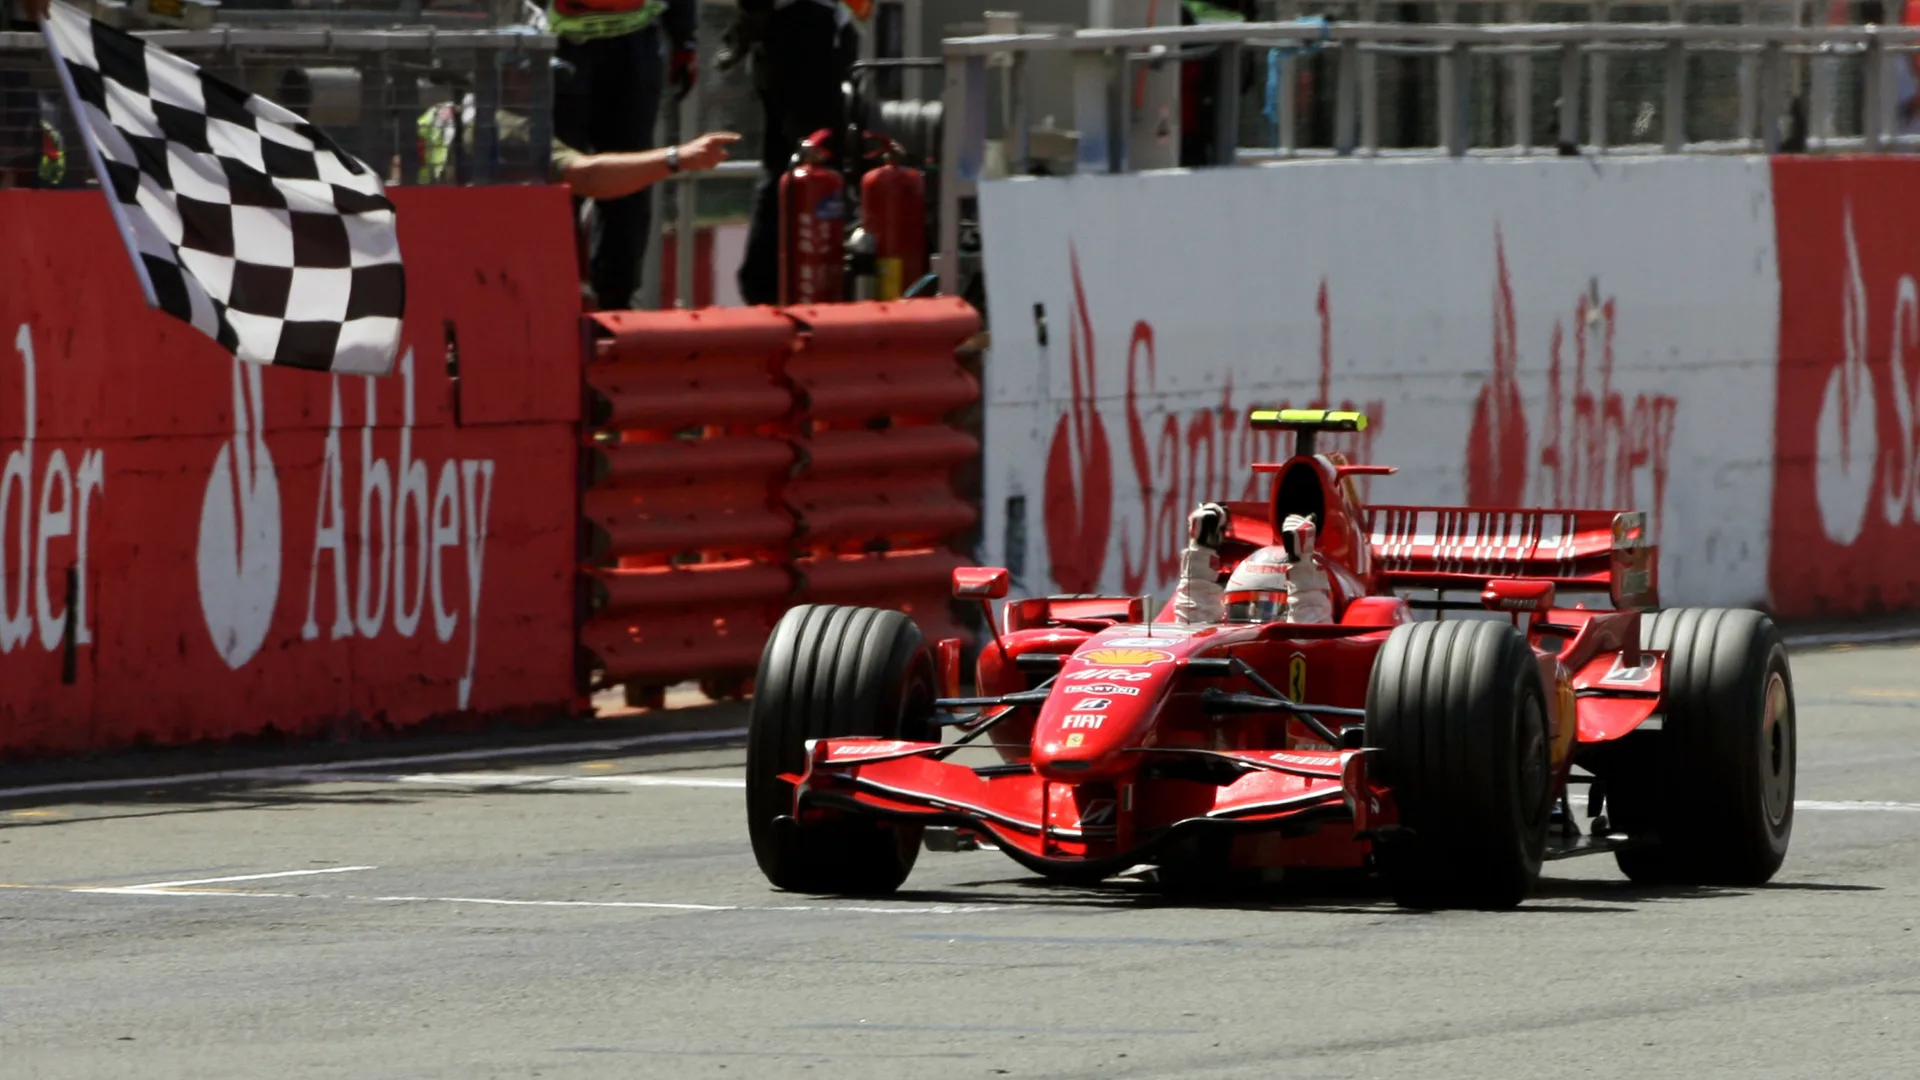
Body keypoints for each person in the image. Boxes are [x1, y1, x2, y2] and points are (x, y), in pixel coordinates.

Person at [547, 0, 698, 310]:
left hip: (566, 45)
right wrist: (684, 39)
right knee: (622, 177)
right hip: (623, 49)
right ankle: (611, 300)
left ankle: (573, 296)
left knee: (567, 179)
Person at [727, 0, 857, 305]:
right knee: (814, 164)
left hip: (789, 29)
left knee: (789, 165)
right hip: (805, 31)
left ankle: (768, 284)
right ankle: (783, 285)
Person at [1171, 504, 1333, 626]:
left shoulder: (1305, 630)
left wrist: (1302, 567)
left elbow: (1309, 627)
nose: (1251, 624)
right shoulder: (1226, 645)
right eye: (1241, 608)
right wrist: (1200, 550)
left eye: (1267, 609)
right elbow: (1195, 628)